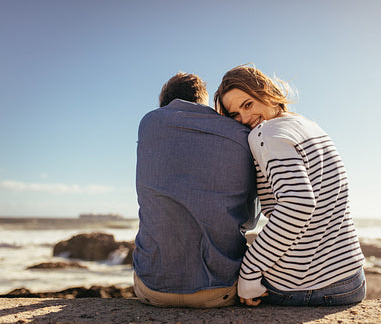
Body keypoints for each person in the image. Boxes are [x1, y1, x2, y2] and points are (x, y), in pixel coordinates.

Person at [214, 65, 366, 307]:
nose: (244, 119)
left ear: (265, 91)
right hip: (350, 280)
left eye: (247, 105)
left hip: (300, 287)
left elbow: (298, 205)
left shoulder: (264, 134)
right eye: (235, 115)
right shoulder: (311, 127)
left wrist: (249, 272)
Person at [133, 72, 258, 308]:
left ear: (165, 103)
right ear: (203, 101)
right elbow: (250, 221)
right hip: (220, 289)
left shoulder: (149, 123)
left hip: (152, 289)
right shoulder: (240, 134)